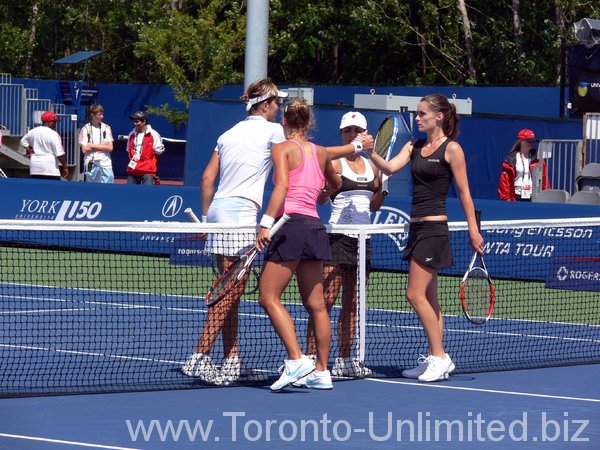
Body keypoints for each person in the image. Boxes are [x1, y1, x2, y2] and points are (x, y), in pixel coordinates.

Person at [181, 79, 373, 386]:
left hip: (218, 211)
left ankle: (231, 360)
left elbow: (207, 179)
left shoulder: (227, 134)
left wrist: (206, 220)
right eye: (276, 104)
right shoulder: (275, 133)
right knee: (233, 292)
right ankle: (200, 357)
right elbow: (316, 151)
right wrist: (357, 147)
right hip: (244, 214)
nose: (279, 110)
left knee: (233, 290)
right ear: (268, 106)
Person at [365, 93, 483, 382]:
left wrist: (473, 228)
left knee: (414, 294)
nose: (417, 118)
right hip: (416, 229)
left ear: (439, 116)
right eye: (417, 114)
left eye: (421, 114)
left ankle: (440, 357)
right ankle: (434, 356)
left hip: (434, 230)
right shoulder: (414, 146)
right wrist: (370, 153)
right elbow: (390, 168)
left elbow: (465, 193)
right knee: (430, 298)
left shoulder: (453, 149)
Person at [256, 97, 342, 391]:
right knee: (316, 305)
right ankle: (321, 371)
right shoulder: (321, 152)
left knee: (267, 296)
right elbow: (335, 185)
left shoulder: (281, 148)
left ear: (284, 122)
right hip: (315, 227)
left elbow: (281, 186)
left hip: (289, 226)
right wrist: (322, 194)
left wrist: (265, 223)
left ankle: (296, 360)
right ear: (308, 123)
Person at [303, 111, 385, 379]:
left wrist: (382, 190)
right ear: (342, 134)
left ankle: (345, 358)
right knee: (325, 300)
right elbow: (321, 200)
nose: (352, 135)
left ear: (365, 133)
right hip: (337, 237)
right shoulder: (334, 163)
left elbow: (373, 205)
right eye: (348, 131)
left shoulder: (373, 167)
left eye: (357, 131)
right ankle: (310, 357)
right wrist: (326, 191)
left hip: (363, 239)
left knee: (353, 304)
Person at [497, 128, 550, 201]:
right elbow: (505, 182)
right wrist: (506, 200)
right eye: (529, 141)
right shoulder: (511, 159)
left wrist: (546, 197)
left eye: (533, 141)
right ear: (521, 142)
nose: (532, 143)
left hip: (533, 196)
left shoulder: (538, 159)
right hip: (516, 195)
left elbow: (544, 179)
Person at [20, 111, 69, 180]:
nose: (55, 124)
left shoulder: (33, 131)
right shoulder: (54, 134)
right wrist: (65, 167)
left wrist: (29, 150)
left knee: (36, 189)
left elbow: (23, 141)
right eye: (55, 122)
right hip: (50, 168)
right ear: (50, 122)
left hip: (35, 167)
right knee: (52, 190)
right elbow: (60, 154)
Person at [126, 111, 164, 185]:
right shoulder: (131, 134)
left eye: (137, 121)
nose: (134, 123)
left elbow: (159, 152)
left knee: (147, 194)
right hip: (133, 170)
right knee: (130, 194)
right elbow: (128, 150)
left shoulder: (154, 134)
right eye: (134, 121)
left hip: (148, 172)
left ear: (144, 121)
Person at [79, 104, 114, 183]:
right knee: (91, 189)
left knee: (108, 189)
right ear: (92, 115)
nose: (102, 117)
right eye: (99, 115)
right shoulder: (85, 129)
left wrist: (92, 145)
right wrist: (103, 145)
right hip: (91, 162)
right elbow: (84, 150)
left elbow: (110, 148)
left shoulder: (106, 128)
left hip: (106, 163)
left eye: (102, 114)